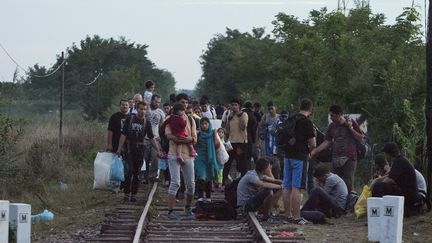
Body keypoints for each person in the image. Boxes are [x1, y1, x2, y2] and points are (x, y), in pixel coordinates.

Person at [310, 105, 364, 192]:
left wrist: (350, 128)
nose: (331, 118)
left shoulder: (350, 122)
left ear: (339, 115)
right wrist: (315, 151)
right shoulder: (331, 126)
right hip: (336, 158)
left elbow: (360, 138)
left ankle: (351, 203)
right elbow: (327, 142)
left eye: (333, 115)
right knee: (335, 182)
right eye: (330, 115)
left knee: (348, 182)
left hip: (349, 157)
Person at [116, 101, 161, 202]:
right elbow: (123, 135)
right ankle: (126, 193)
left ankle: (134, 194)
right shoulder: (130, 119)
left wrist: (158, 150)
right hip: (129, 149)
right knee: (129, 171)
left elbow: (151, 137)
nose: (143, 111)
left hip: (140, 150)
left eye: (145, 109)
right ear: (137, 109)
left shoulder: (147, 122)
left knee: (137, 173)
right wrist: (119, 149)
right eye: (141, 109)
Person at [282, 99, 316, 225]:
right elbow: (313, 143)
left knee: (287, 185)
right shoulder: (307, 122)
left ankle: (287, 214)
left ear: (300, 107)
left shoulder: (291, 119)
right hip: (300, 157)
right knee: (297, 187)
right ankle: (297, 217)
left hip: (287, 156)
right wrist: (310, 151)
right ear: (310, 109)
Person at [165, 93, 198, 220]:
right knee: (175, 183)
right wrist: (186, 139)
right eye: (182, 102)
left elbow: (194, 139)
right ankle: (171, 211)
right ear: (177, 104)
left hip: (188, 155)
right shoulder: (170, 119)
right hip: (173, 154)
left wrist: (182, 139)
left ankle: (188, 207)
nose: (184, 104)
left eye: (186, 102)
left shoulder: (191, 120)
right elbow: (169, 136)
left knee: (191, 185)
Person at [372, 142, 422, 216]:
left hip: (409, 197)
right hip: (408, 194)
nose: (385, 156)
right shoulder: (399, 161)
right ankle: (383, 210)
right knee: (382, 186)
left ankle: (378, 212)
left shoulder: (399, 162)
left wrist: (376, 182)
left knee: (378, 187)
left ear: (389, 154)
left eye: (385, 154)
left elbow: (387, 180)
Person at [223, 98, 249, 184]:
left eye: (236, 105)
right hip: (231, 142)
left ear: (239, 106)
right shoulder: (230, 115)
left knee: (241, 164)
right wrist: (229, 118)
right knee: (227, 163)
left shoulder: (244, 114)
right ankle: (224, 182)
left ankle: (243, 182)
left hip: (241, 143)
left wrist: (239, 115)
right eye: (232, 105)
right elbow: (226, 130)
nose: (234, 107)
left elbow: (243, 127)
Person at [194, 117, 221, 199]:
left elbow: (217, 145)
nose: (204, 126)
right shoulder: (198, 134)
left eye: (206, 124)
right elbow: (194, 145)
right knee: (201, 177)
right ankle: (200, 197)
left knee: (209, 178)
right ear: (200, 125)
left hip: (210, 158)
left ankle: (208, 198)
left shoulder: (213, 133)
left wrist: (216, 134)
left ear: (209, 124)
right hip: (199, 158)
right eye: (202, 124)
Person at [145, 94, 165, 183]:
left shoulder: (161, 112)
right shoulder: (145, 109)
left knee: (155, 157)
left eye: (159, 102)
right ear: (152, 100)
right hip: (145, 138)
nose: (157, 103)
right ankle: (143, 177)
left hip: (156, 138)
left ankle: (152, 176)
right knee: (144, 158)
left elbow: (162, 125)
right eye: (156, 101)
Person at [242, 102, 257, 167]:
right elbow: (253, 129)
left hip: (240, 137)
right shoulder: (252, 115)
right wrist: (254, 139)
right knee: (249, 154)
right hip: (249, 136)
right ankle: (248, 168)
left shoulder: (240, 113)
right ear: (251, 107)